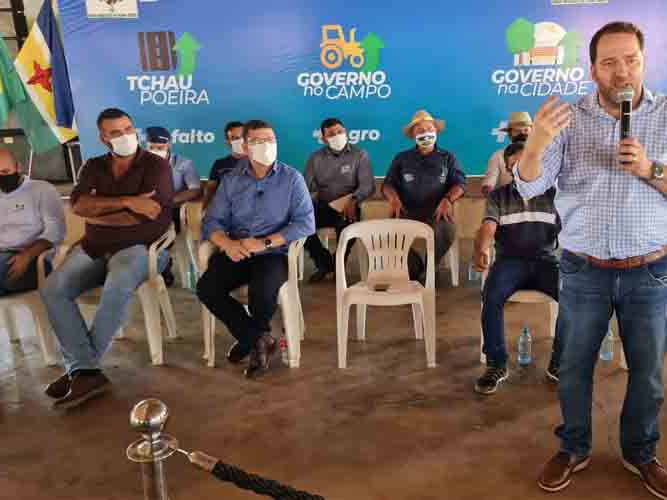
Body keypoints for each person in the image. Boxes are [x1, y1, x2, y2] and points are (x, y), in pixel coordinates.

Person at [518, 22, 667, 499]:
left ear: (644, 62)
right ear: (593, 69)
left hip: (649, 270)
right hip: (583, 268)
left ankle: (641, 453)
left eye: (630, 59)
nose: (621, 71)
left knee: (647, 372)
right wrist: (536, 142)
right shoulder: (569, 118)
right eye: (609, 62)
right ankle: (574, 446)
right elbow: (529, 185)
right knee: (574, 366)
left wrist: (651, 169)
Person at [40, 108, 174, 410]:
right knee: (52, 290)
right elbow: (79, 205)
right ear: (103, 138)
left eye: (128, 128)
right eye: (116, 132)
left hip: (141, 248)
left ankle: (82, 369)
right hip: (93, 247)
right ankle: (84, 369)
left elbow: (146, 217)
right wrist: (127, 202)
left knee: (117, 285)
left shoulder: (156, 166)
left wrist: (99, 213)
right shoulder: (94, 166)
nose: (125, 135)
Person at [197, 119, 314, 378]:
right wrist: (227, 244)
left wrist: (265, 242)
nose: (266, 146)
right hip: (237, 249)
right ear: (246, 147)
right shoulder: (232, 180)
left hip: (273, 253)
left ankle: (253, 344)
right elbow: (212, 221)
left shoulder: (292, 178)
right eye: (258, 141)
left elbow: (305, 223)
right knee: (207, 288)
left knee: (261, 293)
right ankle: (257, 338)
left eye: (270, 140)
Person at [473, 142, 563, 395]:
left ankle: (560, 362)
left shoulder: (554, 195)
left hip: (546, 261)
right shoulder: (499, 196)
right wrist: (482, 248)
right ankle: (496, 364)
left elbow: (569, 233)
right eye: (514, 166)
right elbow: (489, 228)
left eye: (525, 163)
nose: (520, 170)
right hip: (509, 262)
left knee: (573, 297)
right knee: (491, 297)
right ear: (510, 169)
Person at [0, 148, 65, 404]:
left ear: (17, 165)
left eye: (5, 172)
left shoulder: (41, 190)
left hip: (30, 265)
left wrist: (28, 255)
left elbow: (55, 231)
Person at [383, 110, 467, 282]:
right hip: (406, 211)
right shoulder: (402, 158)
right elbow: (387, 184)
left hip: (438, 212)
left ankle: (430, 269)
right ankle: (416, 269)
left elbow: (460, 184)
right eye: (419, 130)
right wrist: (393, 198)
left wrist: (448, 199)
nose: (425, 133)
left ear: (436, 132)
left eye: (429, 129)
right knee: (388, 234)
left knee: (446, 230)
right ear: (413, 135)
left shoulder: (448, 157)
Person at [303, 117, 375, 282]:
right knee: (300, 225)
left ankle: (339, 263)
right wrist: (311, 199)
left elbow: (368, 185)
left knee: (347, 226)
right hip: (323, 205)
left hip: (349, 206)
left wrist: (354, 199)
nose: (337, 136)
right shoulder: (315, 158)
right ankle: (326, 263)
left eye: (340, 132)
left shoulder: (360, 155)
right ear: (323, 139)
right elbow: (305, 187)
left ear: (346, 133)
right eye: (331, 134)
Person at [146, 126, 201, 286]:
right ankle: (147, 266)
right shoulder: (141, 164)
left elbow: (195, 190)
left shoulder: (184, 164)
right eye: (152, 148)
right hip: (147, 209)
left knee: (159, 231)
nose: (156, 151)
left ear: (169, 144)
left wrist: (167, 202)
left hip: (173, 209)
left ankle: (162, 265)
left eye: (160, 147)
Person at [481, 111, 532, 196]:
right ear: (509, 134)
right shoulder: (498, 156)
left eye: (526, 130)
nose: (522, 134)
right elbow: (488, 186)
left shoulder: (545, 153)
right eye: (517, 131)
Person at [203, 121, 245, 209]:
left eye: (242, 137)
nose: (240, 140)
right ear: (227, 142)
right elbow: (210, 190)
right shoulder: (219, 164)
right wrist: (205, 208)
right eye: (234, 138)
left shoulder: (258, 163)